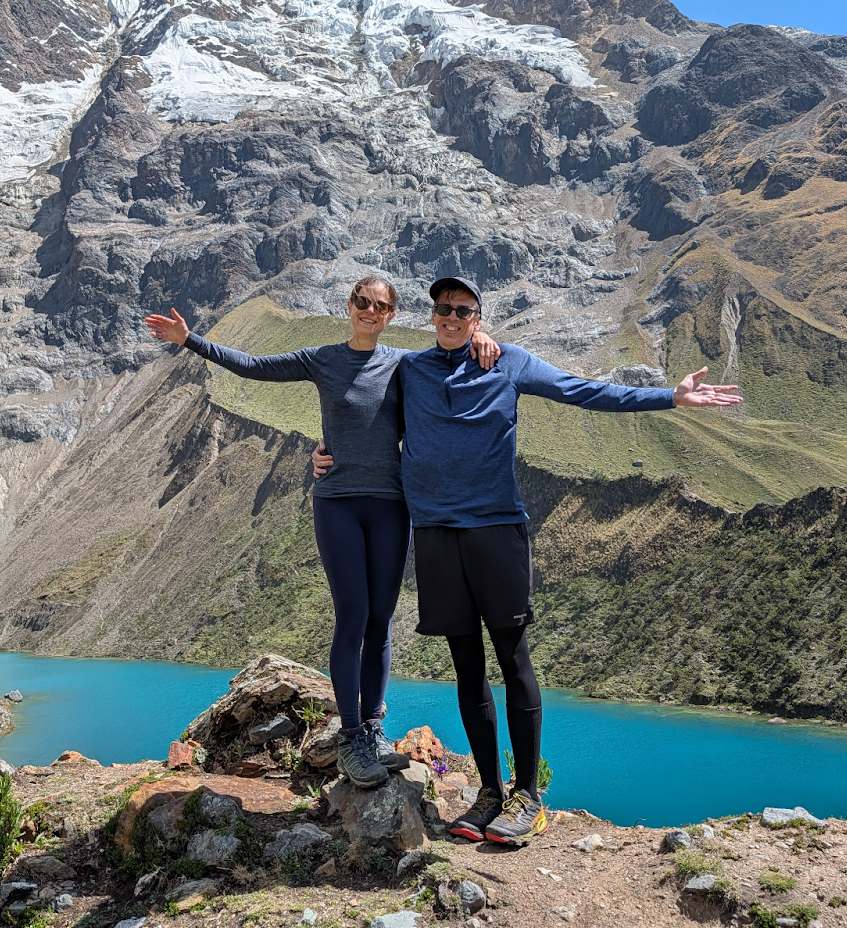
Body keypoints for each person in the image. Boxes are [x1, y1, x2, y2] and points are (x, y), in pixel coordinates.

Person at [312, 273, 743, 847]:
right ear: (430, 313)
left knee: (512, 658)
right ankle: (489, 790)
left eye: (463, 310)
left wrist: (670, 395)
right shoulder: (410, 371)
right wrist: (322, 459)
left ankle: (527, 797)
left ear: (478, 317)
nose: (450, 317)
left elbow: (586, 391)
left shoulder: (508, 362)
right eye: (442, 308)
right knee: (467, 665)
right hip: (436, 534)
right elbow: (356, 414)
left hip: (495, 530)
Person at [143, 278, 500, 789]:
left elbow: (452, 357)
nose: (371, 311)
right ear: (349, 306)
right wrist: (189, 340)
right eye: (363, 303)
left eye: (381, 306)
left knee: (381, 620)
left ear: (392, 315)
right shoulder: (322, 359)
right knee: (352, 616)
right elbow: (253, 368)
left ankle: (374, 730)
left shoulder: (403, 364)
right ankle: (351, 738)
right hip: (337, 503)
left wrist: (487, 342)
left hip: (391, 506)